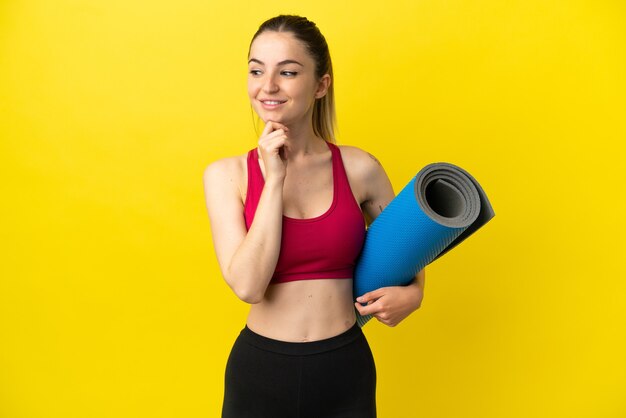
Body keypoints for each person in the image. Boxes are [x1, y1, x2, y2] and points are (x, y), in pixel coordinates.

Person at [203, 14, 426, 418]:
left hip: (345, 368)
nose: (268, 86)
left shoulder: (361, 168)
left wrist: (414, 294)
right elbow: (249, 286)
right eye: (256, 70)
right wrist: (274, 180)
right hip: (261, 372)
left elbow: (410, 242)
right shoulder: (227, 176)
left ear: (321, 84)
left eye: (287, 72)